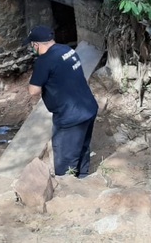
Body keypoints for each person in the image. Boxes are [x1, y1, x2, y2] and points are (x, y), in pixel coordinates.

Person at [25, 25, 98, 178]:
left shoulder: (44, 61)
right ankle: (83, 178)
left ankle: (67, 187)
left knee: (66, 157)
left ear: (36, 44)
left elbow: (33, 91)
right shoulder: (67, 50)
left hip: (70, 116)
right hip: (88, 107)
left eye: (32, 46)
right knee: (82, 147)